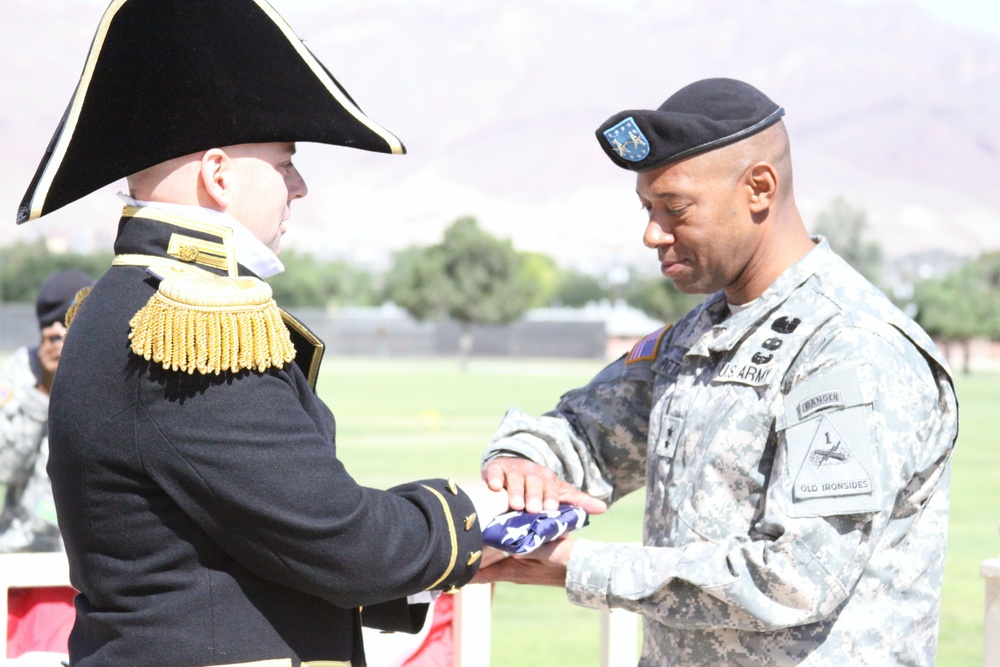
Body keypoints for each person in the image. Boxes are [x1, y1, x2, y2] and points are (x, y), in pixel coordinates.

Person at [16, 2, 507, 666]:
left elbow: (247, 542)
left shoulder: (112, 303)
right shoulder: (187, 319)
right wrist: (481, 513)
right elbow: (335, 538)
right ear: (218, 176)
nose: (299, 186)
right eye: (284, 162)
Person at [476, 78, 959, 666]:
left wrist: (577, 567)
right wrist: (525, 461)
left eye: (674, 208)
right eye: (648, 209)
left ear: (759, 188)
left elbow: (794, 578)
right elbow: (586, 433)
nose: (652, 233)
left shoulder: (849, 347)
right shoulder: (698, 336)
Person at [0, 269, 95, 553]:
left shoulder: (103, 368)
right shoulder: (21, 370)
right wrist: (43, 388)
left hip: (91, 555)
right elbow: (4, 470)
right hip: (27, 548)